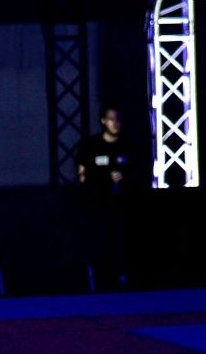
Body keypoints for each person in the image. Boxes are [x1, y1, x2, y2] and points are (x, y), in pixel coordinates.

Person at [76, 106, 137, 290]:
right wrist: (103, 178)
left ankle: (124, 278)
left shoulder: (127, 145)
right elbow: (83, 174)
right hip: (98, 204)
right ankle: (98, 279)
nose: (115, 123)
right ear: (103, 121)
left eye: (118, 119)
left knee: (122, 242)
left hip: (123, 205)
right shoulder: (91, 146)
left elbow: (137, 170)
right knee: (99, 242)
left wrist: (124, 177)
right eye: (111, 119)